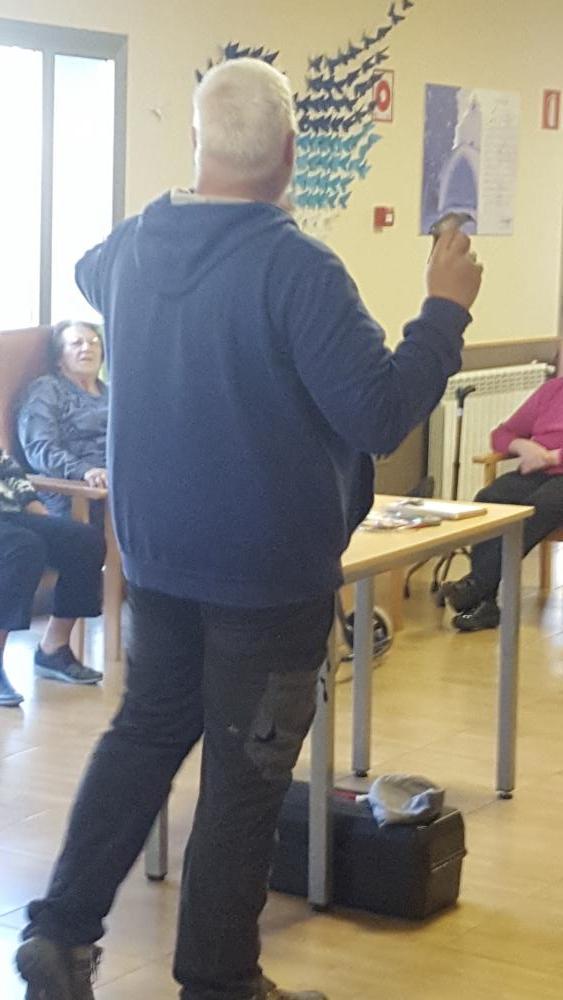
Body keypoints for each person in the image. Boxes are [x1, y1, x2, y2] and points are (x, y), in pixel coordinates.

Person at [16, 58, 482, 1000]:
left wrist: (175, 210)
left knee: (143, 737)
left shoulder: (133, 247)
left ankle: (59, 935)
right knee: (245, 773)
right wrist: (443, 310)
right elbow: (379, 412)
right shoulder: (297, 268)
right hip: (266, 577)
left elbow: (86, 268)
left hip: (157, 559)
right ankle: (218, 981)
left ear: (196, 143)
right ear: (291, 154)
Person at [442, 375, 563, 631]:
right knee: (490, 500)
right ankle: (485, 602)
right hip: (537, 471)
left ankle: (476, 586)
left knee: (537, 508)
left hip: (553, 474)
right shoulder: (554, 390)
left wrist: (553, 458)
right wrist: (521, 445)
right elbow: (502, 434)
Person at [0, 448, 106, 704]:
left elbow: (7, 468)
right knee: (24, 548)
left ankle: (53, 648)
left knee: (83, 540)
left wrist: (37, 510)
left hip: (11, 515)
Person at [17, 320, 108, 519]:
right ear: (59, 358)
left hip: (121, 485)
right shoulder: (47, 390)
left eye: (94, 342)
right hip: (76, 493)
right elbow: (40, 448)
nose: (87, 348)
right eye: (77, 343)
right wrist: (85, 472)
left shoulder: (113, 395)